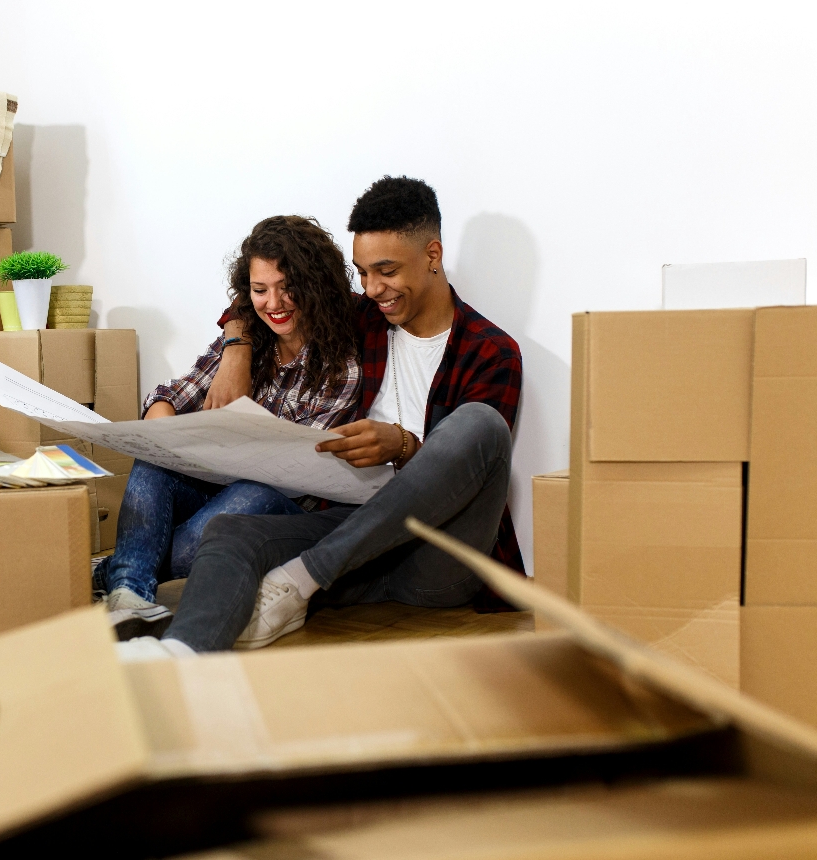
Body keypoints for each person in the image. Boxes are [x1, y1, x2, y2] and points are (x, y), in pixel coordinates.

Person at [123, 175, 524, 659]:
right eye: (363, 274)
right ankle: (178, 656)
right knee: (231, 528)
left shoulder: (491, 351)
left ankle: (298, 579)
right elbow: (271, 293)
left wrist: (402, 447)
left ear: (433, 257)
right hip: (344, 542)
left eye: (387, 271)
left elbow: (469, 470)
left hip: (429, 556)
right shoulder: (367, 316)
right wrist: (237, 347)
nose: (374, 289)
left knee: (479, 423)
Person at [96, 215, 361, 640]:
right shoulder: (244, 340)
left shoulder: (341, 363)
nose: (274, 303)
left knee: (250, 493)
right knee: (152, 461)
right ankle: (130, 599)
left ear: (316, 286)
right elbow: (169, 396)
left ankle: (120, 571)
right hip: (215, 483)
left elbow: (298, 466)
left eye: (287, 288)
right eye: (260, 290)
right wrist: (164, 435)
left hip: (278, 502)